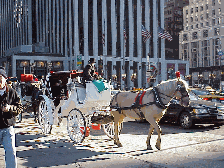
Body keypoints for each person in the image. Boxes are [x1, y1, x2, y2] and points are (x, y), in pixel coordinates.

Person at [0, 67, 21, 168]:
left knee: (11, 154)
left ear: (5, 79)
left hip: (7, 128)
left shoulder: (12, 92)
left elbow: (19, 108)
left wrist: (9, 108)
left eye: (0, 78)